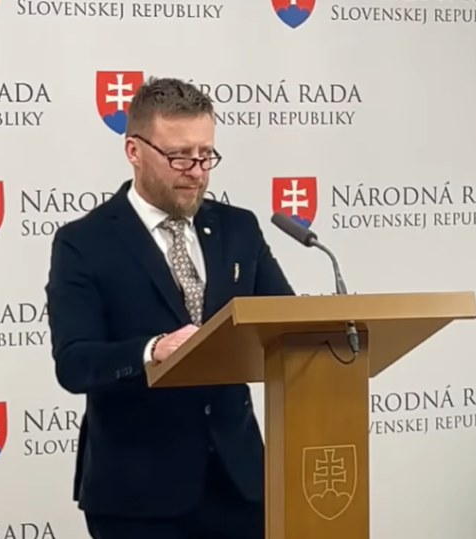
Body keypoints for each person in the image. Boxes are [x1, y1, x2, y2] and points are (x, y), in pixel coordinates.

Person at [45, 76, 296, 539]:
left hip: (240, 484)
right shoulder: (84, 242)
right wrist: (151, 350)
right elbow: (75, 363)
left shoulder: (239, 229)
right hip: (136, 496)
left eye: (206, 155)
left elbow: (286, 323)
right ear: (134, 151)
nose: (196, 172)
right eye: (179, 156)